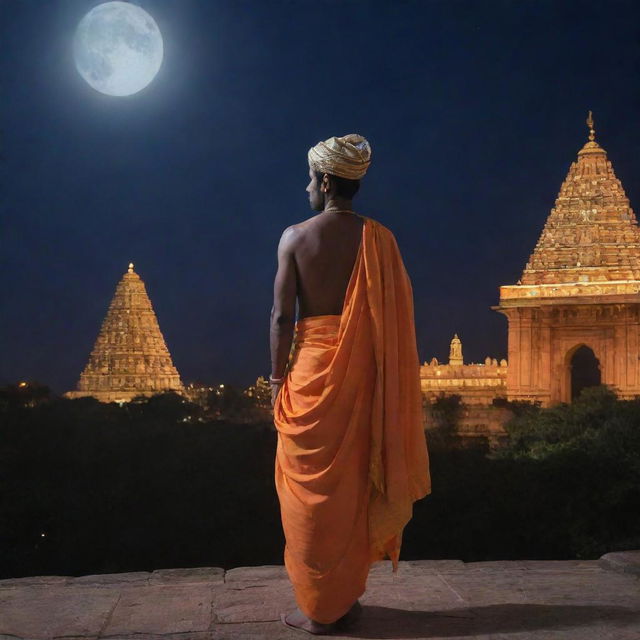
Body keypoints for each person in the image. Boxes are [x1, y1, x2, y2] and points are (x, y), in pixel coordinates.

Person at [270, 133, 431, 635]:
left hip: (309, 371)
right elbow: (396, 317)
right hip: (362, 376)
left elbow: (280, 316)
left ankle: (321, 608)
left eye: (308, 179)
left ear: (323, 180)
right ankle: (342, 598)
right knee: (354, 485)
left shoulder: (295, 237)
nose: (305, 188)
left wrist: (277, 379)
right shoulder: (380, 239)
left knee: (307, 494)